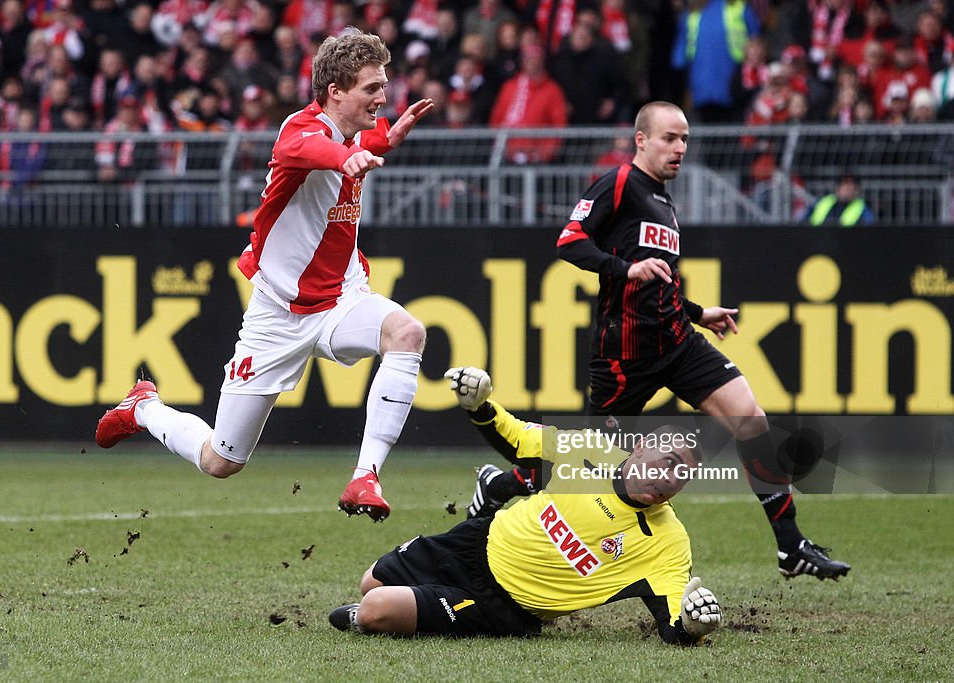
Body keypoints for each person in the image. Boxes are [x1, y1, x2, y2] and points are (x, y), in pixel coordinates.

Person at [94, 28, 435, 522]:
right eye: (371, 88)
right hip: (277, 314)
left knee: (407, 331)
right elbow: (318, 152)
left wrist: (381, 140)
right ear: (334, 92)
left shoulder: (352, 135)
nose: (383, 96)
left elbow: (349, 144)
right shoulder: (298, 132)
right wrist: (351, 155)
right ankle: (144, 408)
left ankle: (366, 477)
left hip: (341, 300)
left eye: (383, 85)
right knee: (220, 460)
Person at [505, 101, 845, 580]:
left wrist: (698, 313)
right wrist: (625, 268)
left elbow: (659, 282)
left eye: (685, 138)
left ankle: (790, 547)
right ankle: (502, 487)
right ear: (641, 139)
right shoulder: (621, 182)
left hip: (678, 344)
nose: (680, 148)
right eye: (669, 138)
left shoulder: (664, 202)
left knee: (751, 421)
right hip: (626, 355)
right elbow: (569, 241)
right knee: (584, 464)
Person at [329, 366, 722, 642]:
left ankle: (389, 612)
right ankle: (415, 596)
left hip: (500, 606)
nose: (669, 479)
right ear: (640, 448)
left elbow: (673, 620)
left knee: (374, 608)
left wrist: (691, 626)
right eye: (668, 463)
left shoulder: (667, 543)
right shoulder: (590, 449)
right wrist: (481, 407)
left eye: (681, 477)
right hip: (477, 540)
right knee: (370, 582)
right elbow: (519, 440)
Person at [804, 174, 876, 226]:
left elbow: (869, 227)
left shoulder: (862, 208)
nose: (847, 189)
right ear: (837, 187)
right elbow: (802, 222)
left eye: (851, 185)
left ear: (857, 190)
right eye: (844, 184)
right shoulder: (822, 202)